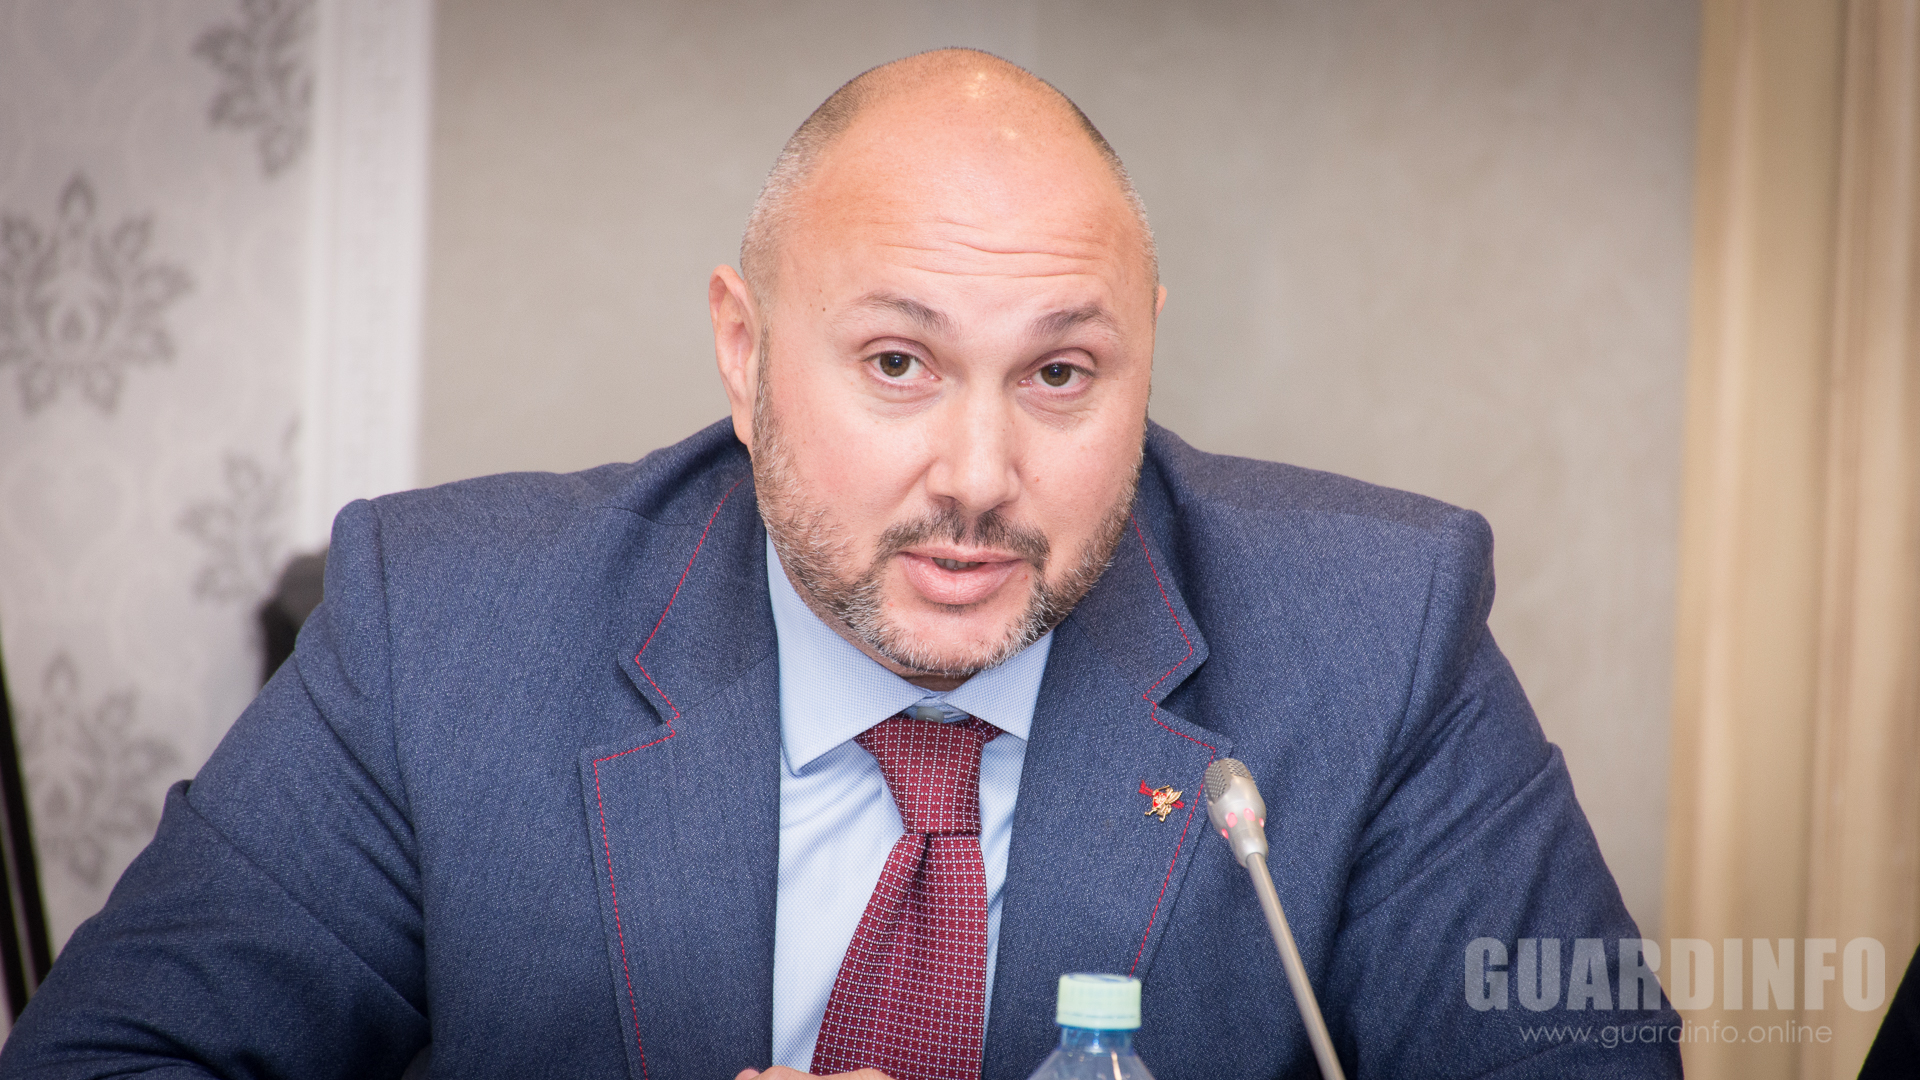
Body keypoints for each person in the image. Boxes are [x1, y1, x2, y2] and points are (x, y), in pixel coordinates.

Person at [0, 50, 1679, 1079]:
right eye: (895, 363)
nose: (979, 476)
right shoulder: (439, 628)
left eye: (1062, 373)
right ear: (742, 352)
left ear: (1149, 354)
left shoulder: (1381, 638)